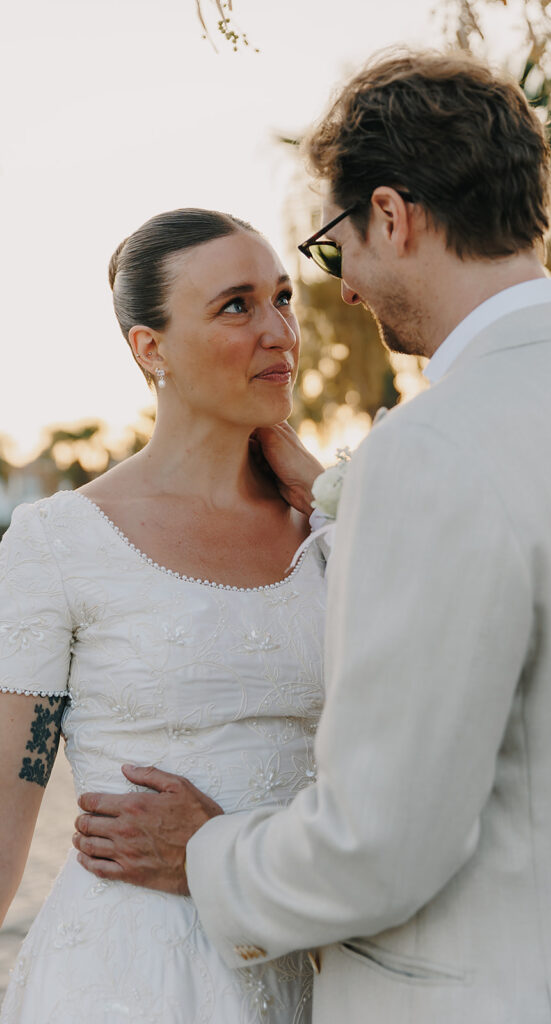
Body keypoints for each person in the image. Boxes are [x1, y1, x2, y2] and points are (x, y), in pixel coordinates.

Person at [74, 50, 551, 1023]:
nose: (341, 290)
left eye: (331, 247)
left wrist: (203, 849)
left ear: (392, 217)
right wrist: (345, 501)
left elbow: (376, 845)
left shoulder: (434, 452)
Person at [0, 207, 328, 1023]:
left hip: (319, 966)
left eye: (283, 298)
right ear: (151, 349)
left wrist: (332, 500)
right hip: (132, 979)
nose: (278, 331)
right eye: (235, 306)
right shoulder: (59, 543)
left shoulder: (335, 531)